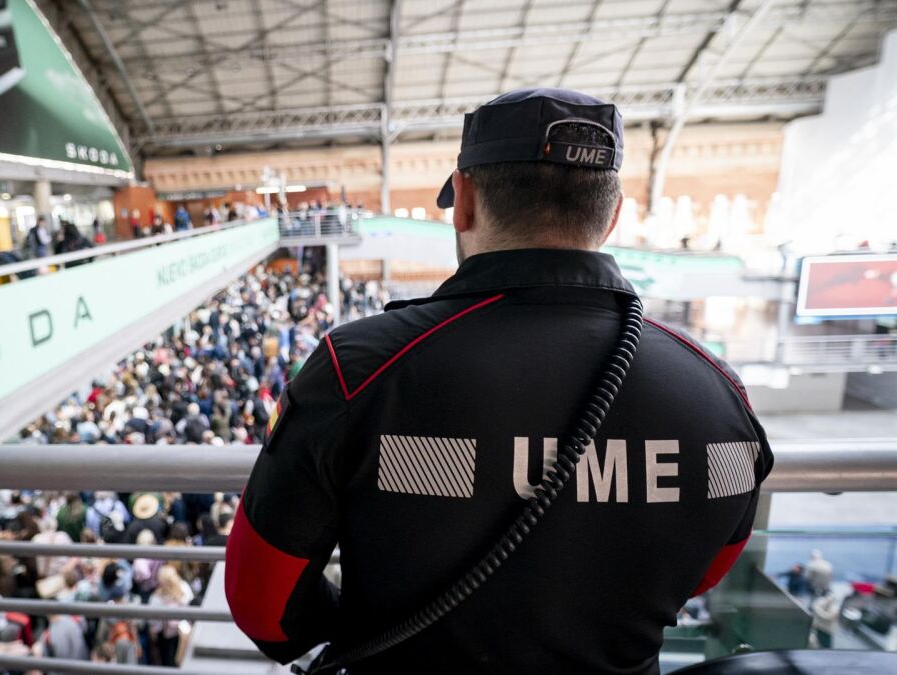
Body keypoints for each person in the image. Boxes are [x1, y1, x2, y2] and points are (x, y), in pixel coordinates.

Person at [224, 88, 774, 674]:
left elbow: (264, 606)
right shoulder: (719, 393)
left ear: (462, 202)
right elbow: (706, 572)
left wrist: (353, 624)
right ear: (612, 216)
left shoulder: (358, 369)